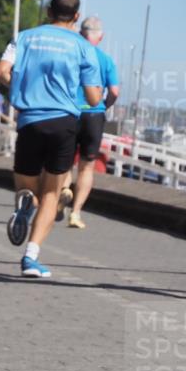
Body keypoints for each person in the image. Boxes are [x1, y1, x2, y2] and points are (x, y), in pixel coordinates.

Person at [0, 0, 102, 278]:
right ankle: (31, 258)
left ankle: (25, 205)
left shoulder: (26, 36)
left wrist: (18, 88)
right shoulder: (83, 47)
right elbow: (93, 98)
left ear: (48, 11)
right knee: (53, 192)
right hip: (63, 123)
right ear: (76, 17)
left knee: (27, 187)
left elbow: (2, 70)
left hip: (29, 120)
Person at [67, 16, 120, 229]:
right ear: (101, 36)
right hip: (94, 115)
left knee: (63, 163)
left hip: (70, 113)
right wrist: (103, 106)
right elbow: (115, 92)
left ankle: (61, 195)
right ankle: (76, 213)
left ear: (81, 33)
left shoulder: (72, 56)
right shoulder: (106, 59)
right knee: (87, 166)